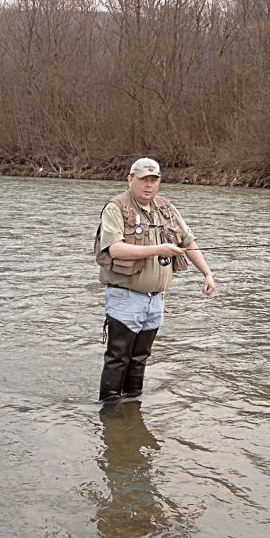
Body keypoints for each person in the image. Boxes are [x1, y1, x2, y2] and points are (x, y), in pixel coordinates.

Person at [95, 157, 216, 402]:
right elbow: (115, 249)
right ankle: (109, 409)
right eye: (143, 180)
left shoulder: (166, 208)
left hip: (156, 300)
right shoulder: (116, 208)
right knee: (118, 358)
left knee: (140, 358)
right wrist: (159, 249)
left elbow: (188, 242)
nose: (149, 185)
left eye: (154, 180)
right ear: (130, 179)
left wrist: (207, 273)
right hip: (124, 297)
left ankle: (132, 404)